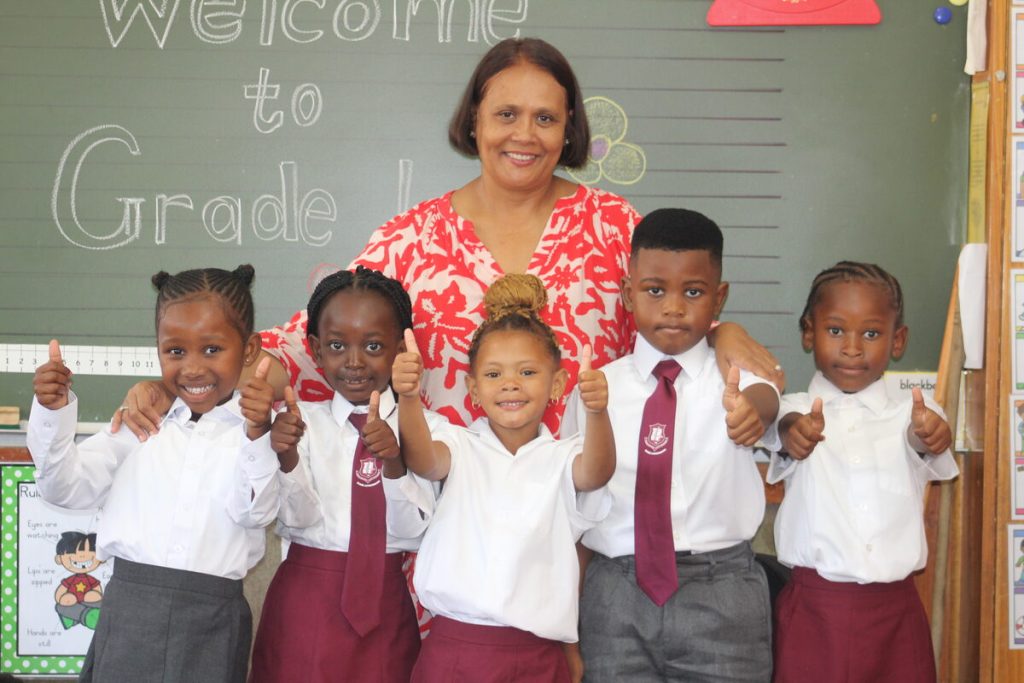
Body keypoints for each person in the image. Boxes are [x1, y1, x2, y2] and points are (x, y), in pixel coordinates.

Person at [112, 37, 782, 442]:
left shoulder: (614, 226)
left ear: (569, 126)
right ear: (475, 119)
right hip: (450, 515)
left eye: (546, 117)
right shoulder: (412, 238)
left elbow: (674, 313)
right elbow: (309, 339)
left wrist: (725, 333)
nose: (525, 134)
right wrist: (184, 383)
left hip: (590, 515)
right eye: (506, 114)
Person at [27, 266, 280, 683]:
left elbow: (256, 513)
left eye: (212, 349)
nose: (193, 368)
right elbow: (62, 489)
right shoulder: (137, 426)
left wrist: (257, 435)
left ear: (249, 350)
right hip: (130, 614)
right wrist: (53, 413)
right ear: (158, 349)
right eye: (175, 352)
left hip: (213, 622)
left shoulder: (255, 435)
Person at [563, 208, 780, 682]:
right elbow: (573, 514)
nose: (674, 307)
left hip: (723, 596)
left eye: (694, 292)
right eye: (655, 290)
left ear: (719, 298)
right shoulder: (596, 391)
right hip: (615, 595)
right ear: (628, 294)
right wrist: (567, 631)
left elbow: (767, 401)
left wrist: (754, 411)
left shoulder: (738, 378)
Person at [393, 274, 615, 682]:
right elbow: (423, 460)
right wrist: (408, 397)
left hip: (538, 655)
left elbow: (597, 471)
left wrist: (598, 412)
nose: (511, 383)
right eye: (493, 375)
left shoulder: (563, 458)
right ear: (472, 389)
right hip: (454, 652)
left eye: (528, 372)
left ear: (558, 384)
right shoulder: (457, 445)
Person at [246, 267, 443, 683]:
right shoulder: (298, 422)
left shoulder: (428, 431)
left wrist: (394, 465)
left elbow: (416, 532)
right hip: (304, 606)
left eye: (373, 345)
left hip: (385, 606)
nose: (354, 362)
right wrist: (287, 457)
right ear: (316, 351)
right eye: (337, 345)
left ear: (400, 349)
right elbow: (294, 522)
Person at [767, 261, 958, 683]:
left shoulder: (913, 414)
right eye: (836, 331)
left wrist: (930, 433)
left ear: (898, 340)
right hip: (813, 613)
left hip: (896, 613)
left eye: (871, 334)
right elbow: (781, 432)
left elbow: (923, 439)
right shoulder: (792, 409)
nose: (853, 347)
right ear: (807, 332)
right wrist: (793, 434)